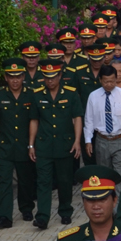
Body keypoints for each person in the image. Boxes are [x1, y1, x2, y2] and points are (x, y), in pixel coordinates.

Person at [29, 55, 83, 228]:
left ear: (59, 76)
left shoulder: (71, 93)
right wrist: (31, 144)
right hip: (44, 145)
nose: (49, 81)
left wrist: (77, 141)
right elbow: (34, 121)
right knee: (43, 181)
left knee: (65, 181)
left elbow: (77, 118)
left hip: (64, 145)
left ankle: (65, 211)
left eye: (53, 77)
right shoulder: (37, 94)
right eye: (46, 77)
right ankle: (42, 216)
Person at [0, 59, 36, 228]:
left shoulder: (31, 94)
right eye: (11, 76)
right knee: (4, 182)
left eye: (18, 76)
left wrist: (31, 145)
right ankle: (4, 216)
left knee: (25, 180)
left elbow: (33, 121)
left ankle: (27, 208)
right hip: (4, 146)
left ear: (23, 76)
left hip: (24, 146)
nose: (15, 80)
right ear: (5, 77)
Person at [83, 64, 121, 177]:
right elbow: (89, 120)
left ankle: (119, 195)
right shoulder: (93, 96)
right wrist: (88, 141)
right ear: (100, 80)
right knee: (104, 175)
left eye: (112, 81)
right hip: (102, 141)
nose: (109, 84)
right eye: (106, 81)